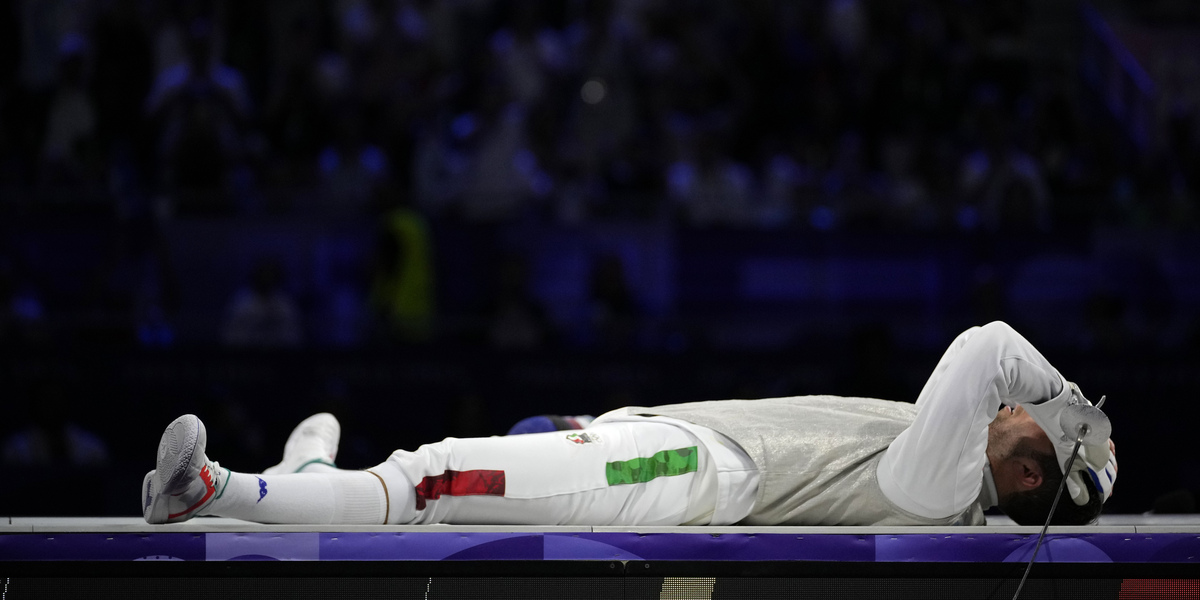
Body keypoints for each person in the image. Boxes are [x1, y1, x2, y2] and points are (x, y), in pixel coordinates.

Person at [141, 321, 1117, 527]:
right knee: (448, 470)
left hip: (687, 474)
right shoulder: (945, 471)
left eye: (1041, 425)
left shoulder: (946, 488)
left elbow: (989, 345)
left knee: (434, 480)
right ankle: (293, 477)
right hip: (669, 444)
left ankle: (219, 490)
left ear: (1028, 477)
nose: (1023, 406)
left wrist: (1080, 407)